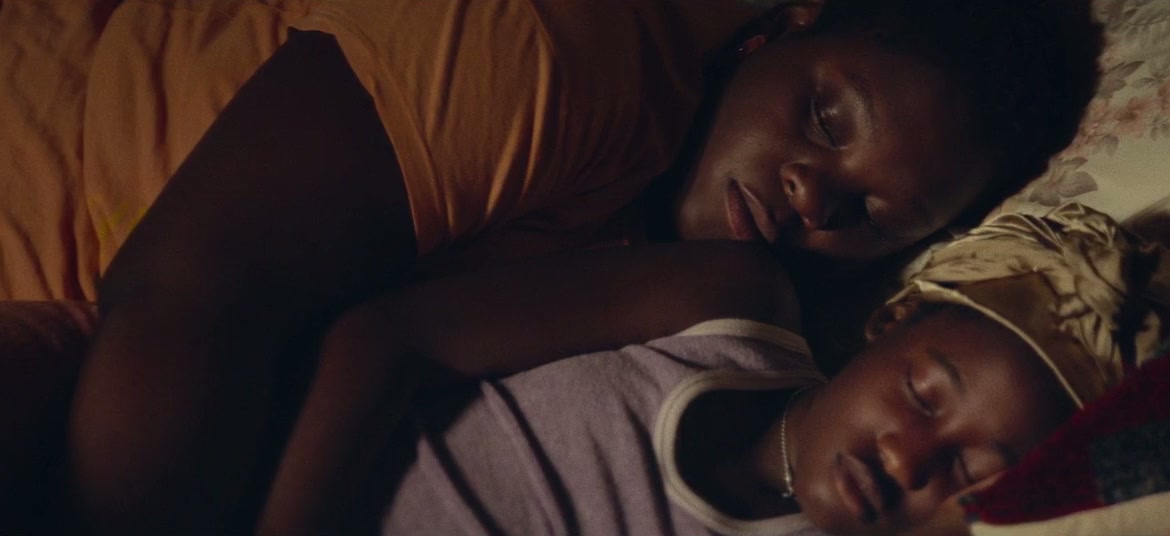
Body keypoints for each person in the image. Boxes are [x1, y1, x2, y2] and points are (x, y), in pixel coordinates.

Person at [0, 0, 1102, 531]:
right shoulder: (565, 52)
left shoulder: (641, 266)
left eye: (868, 214)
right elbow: (192, 293)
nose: (814, 195)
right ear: (779, 30)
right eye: (823, 116)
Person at [258, 203, 1170, 535]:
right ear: (892, 324)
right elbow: (388, 339)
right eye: (921, 393)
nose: (908, 457)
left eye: (970, 474)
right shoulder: (725, 305)